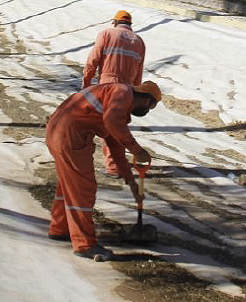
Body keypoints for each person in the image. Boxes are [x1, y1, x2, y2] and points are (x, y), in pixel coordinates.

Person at [46, 81, 161, 260]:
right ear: (147, 101)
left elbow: (116, 146)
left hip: (57, 130)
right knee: (83, 190)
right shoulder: (122, 92)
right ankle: (84, 245)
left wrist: (131, 183)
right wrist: (138, 150)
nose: (147, 111)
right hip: (70, 136)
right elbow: (112, 122)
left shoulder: (114, 97)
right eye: (152, 107)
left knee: (69, 184)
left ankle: (60, 228)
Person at [82, 9, 146, 178]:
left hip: (108, 86)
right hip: (127, 90)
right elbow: (138, 73)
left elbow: (93, 60)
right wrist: (135, 95)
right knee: (118, 127)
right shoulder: (139, 41)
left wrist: (86, 83)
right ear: (130, 25)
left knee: (108, 127)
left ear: (115, 22)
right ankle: (117, 164)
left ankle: (115, 167)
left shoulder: (107, 34)